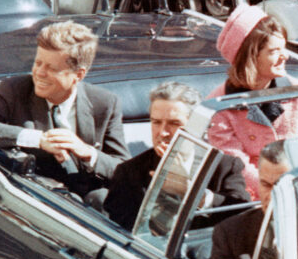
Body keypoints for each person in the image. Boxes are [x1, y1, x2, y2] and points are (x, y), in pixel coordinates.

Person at [0, 21, 130, 196]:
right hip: (35, 199)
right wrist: (38, 139)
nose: (39, 73)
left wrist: (88, 153)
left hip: (88, 209)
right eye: (38, 63)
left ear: (78, 75)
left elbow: (127, 171)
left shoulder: (105, 103)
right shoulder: (16, 89)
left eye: (52, 68)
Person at [206, 5, 298, 198]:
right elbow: (236, 166)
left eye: (284, 48)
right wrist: (277, 194)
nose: (285, 56)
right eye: (274, 51)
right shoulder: (219, 104)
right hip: (249, 199)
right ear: (250, 57)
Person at [103, 81, 250, 230]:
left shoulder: (224, 166)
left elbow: (241, 214)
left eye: (174, 123)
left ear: (197, 125)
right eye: (156, 122)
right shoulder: (129, 172)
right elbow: (121, 233)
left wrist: (191, 192)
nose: (163, 132)